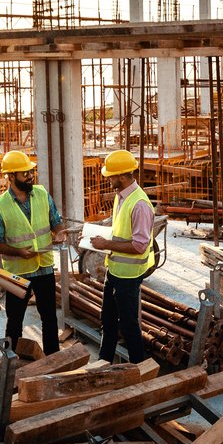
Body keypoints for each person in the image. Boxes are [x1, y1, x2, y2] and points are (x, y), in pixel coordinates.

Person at [0, 150, 74, 354]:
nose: (30, 176)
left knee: (50, 319)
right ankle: (10, 361)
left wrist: (60, 232)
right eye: (24, 173)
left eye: (30, 172)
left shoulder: (42, 195)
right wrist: (17, 252)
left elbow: (56, 222)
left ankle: (52, 359)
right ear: (10, 176)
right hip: (18, 272)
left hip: (43, 267)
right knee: (15, 321)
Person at [87, 149, 154, 363]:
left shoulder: (140, 204)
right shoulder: (121, 197)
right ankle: (104, 361)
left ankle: (138, 366)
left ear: (123, 176)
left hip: (129, 275)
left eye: (111, 175)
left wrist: (106, 244)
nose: (108, 178)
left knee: (128, 324)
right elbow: (121, 230)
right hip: (114, 270)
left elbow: (140, 245)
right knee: (107, 319)